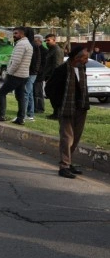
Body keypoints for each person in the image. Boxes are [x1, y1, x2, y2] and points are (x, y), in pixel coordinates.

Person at [45, 46, 90, 179]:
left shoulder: (82, 68)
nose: (87, 60)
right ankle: (64, 166)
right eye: (85, 58)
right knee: (67, 138)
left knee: (75, 137)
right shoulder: (61, 70)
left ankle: (69, 163)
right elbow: (49, 89)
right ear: (77, 58)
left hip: (81, 107)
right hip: (66, 108)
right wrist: (58, 105)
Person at [0, 26, 33, 125]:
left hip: (16, 75)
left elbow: (16, 61)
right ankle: (20, 118)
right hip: (24, 75)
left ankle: (1, 115)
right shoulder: (27, 44)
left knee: (1, 93)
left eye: (16, 33)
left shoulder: (21, 44)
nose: (14, 35)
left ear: (22, 34)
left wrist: (9, 72)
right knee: (20, 96)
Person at [43, 34, 64, 120]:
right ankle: (55, 113)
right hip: (48, 76)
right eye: (46, 40)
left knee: (54, 95)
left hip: (54, 77)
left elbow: (57, 65)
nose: (46, 42)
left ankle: (57, 113)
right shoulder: (50, 50)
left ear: (54, 40)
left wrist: (52, 78)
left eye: (48, 40)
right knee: (51, 95)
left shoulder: (56, 50)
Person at [24, 28, 41, 121]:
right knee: (29, 93)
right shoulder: (33, 44)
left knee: (26, 93)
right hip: (32, 72)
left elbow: (33, 60)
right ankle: (30, 114)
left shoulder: (30, 45)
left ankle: (24, 115)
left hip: (30, 72)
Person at [33, 34, 47, 115]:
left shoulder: (44, 51)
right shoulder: (35, 49)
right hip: (34, 74)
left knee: (38, 92)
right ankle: (35, 107)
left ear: (40, 41)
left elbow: (43, 65)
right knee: (34, 92)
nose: (34, 43)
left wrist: (38, 72)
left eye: (36, 41)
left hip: (39, 76)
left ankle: (40, 108)